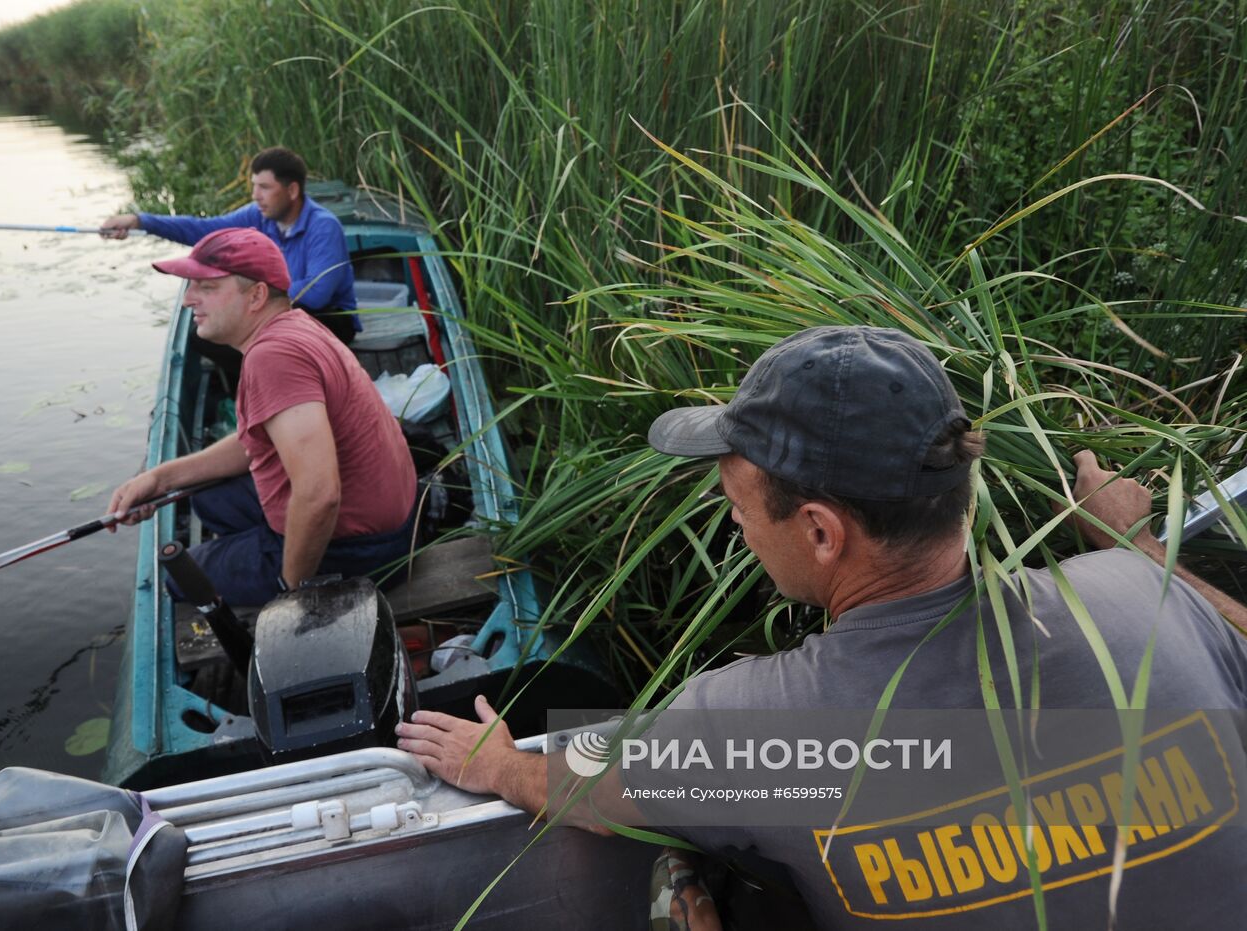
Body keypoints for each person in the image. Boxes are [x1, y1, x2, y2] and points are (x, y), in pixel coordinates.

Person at [396, 326, 1247, 929]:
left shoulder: (764, 730)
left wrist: (499, 761)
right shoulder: (1146, 597)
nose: (735, 527)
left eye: (737, 508)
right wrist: (1134, 545)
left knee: (681, 874)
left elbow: (572, 783)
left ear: (820, 531)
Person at [108, 227, 416, 606]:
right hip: (389, 518)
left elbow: (319, 494)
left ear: (255, 295)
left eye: (206, 287)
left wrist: (292, 591)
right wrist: (160, 478)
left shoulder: (273, 358)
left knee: (180, 581)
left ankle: (278, 564)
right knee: (209, 500)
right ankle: (257, 547)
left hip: (364, 550)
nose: (188, 300)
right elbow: (257, 438)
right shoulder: (294, 324)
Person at [100, 145, 359, 345]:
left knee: (240, 334)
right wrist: (141, 221)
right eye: (255, 186)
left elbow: (316, 294)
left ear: (292, 191)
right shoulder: (258, 215)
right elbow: (203, 230)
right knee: (203, 339)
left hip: (330, 319)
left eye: (265, 188)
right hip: (281, 310)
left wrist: (252, 292)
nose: (256, 196)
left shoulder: (324, 226)